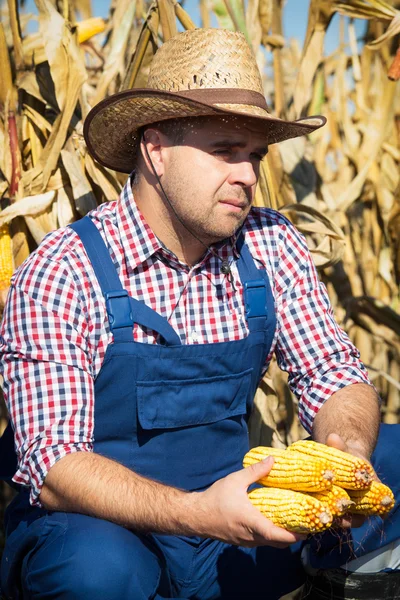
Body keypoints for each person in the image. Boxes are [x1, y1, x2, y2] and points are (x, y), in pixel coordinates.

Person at [0, 28, 384, 600]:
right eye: (225, 152)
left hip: (233, 518)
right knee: (98, 570)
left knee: (394, 463)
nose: (249, 176)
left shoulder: (271, 244)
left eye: (255, 156)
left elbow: (333, 371)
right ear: (155, 149)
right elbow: (54, 465)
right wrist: (197, 512)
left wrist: (347, 454)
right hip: (104, 527)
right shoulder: (65, 270)